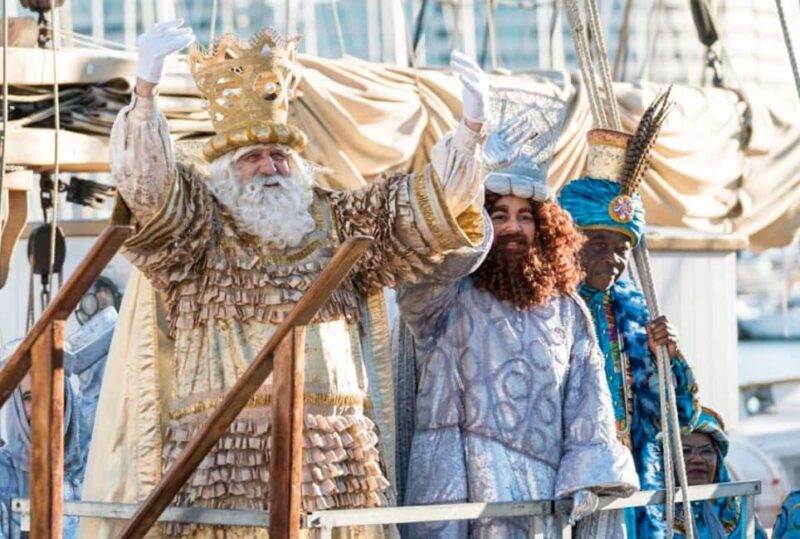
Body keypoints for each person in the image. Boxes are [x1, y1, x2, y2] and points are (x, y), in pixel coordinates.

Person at [81, 20, 490, 538]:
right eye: (253, 157)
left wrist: (470, 132)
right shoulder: (201, 229)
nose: (270, 167)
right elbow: (148, 188)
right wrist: (145, 92)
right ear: (229, 169)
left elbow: (417, 207)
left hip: (337, 463)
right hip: (224, 467)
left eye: (279, 155)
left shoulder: (340, 222)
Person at [395, 124, 639, 538]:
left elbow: (588, 408)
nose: (513, 227)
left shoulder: (568, 311)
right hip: (454, 500)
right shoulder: (448, 295)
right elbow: (418, 283)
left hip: (539, 506)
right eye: (499, 214)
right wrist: (469, 176)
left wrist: (588, 481)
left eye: (525, 217)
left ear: (543, 228)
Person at [558, 96, 701, 538]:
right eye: (598, 242)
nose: (613, 258)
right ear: (570, 239)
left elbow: (682, 418)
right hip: (569, 489)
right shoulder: (550, 308)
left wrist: (669, 358)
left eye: (622, 248)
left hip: (634, 491)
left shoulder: (636, 316)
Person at [646, 406, 767, 538]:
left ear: (718, 459)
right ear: (666, 460)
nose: (697, 459)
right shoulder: (649, 514)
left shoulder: (739, 512)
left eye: (706, 451)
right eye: (685, 451)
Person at [0, 371, 84, 538]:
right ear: (16, 404)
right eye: (29, 397)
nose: (42, 409)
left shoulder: (90, 466)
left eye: (52, 394)